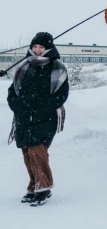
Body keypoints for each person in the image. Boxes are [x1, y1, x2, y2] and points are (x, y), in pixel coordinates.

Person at [7, 33, 69, 207]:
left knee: (37, 151)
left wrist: (41, 106)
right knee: (27, 153)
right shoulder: (24, 66)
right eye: (35, 47)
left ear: (48, 48)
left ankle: (44, 188)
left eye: (41, 47)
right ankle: (34, 185)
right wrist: (16, 105)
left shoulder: (57, 68)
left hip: (45, 117)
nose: (38, 50)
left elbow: (61, 95)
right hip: (23, 116)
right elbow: (12, 91)